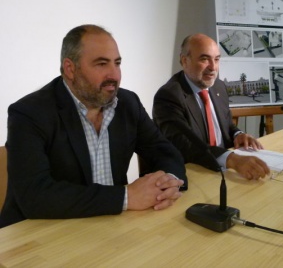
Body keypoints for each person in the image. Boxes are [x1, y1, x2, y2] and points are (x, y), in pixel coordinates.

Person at [0, 24, 187, 228]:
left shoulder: (128, 103)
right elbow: (35, 196)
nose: (114, 75)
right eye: (101, 64)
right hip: (41, 235)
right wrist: (126, 197)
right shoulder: (29, 113)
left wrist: (168, 182)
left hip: (109, 227)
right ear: (71, 69)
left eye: (117, 63)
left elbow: (165, 152)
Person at [152, 33, 270, 180]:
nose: (213, 67)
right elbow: (186, 146)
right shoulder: (169, 96)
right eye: (204, 59)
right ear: (184, 61)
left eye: (216, 59)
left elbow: (226, 125)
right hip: (194, 175)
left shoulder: (218, 87)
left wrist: (238, 135)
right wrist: (231, 159)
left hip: (226, 174)